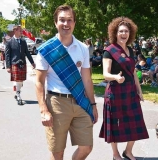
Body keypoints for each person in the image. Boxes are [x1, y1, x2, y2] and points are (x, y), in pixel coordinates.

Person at [35, 5, 98, 160]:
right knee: (57, 152)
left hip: (80, 101)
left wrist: (93, 105)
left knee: (86, 147)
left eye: (70, 20)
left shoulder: (82, 48)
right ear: (56, 22)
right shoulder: (47, 50)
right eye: (62, 20)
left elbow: (87, 79)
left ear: (74, 23)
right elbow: (39, 82)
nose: (66, 23)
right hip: (56, 103)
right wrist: (44, 110)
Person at [99, 17, 149, 160]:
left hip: (130, 92)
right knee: (114, 124)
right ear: (115, 33)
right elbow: (105, 74)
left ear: (130, 33)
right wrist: (115, 77)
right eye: (121, 31)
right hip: (115, 92)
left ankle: (128, 151)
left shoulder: (131, 50)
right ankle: (115, 154)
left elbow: (133, 72)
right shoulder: (109, 51)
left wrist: (139, 91)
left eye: (126, 31)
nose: (123, 34)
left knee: (135, 122)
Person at [5, 25, 36, 105]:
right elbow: (7, 55)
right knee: (18, 80)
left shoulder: (23, 41)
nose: (21, 32)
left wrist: (32, 62)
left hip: (22, 63)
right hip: (14, 63)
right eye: (20, 30)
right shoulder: (9, 42)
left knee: (21, 81)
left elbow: (27, 53)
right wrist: (8, 66)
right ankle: (18, 95)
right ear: (15, 31)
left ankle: (17, 92)